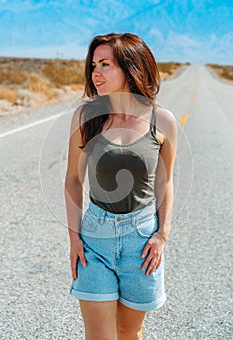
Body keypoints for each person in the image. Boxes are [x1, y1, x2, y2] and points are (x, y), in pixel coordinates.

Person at [65, 33, 177, 340]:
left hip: (140, 241)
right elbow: (74, 181)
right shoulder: (87, 116)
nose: (95, 73)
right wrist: (74, 239)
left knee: (129, 332)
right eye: (93, 65)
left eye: (105, 64)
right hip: (95, 241)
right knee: (100, 335)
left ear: (131, 68)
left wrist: (162, 235)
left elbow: (164, 182)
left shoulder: (162, 121)